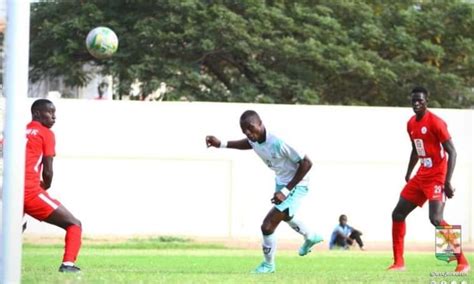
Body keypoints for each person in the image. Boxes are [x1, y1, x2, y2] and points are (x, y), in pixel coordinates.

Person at [206, 110, 323, 274]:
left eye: (251, 128)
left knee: (267, 225)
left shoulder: (279, 142)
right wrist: (221, 144)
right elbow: (249, 143)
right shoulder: (254, 138)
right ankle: (311, 236)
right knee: (286, 215)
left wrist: (286, 190)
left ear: (260, 123)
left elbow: (307, 163)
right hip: (281, 182)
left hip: (297, 184)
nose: (248, 133)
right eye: (244, 130)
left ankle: (268, 265)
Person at [388, 87, 470, 272]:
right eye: (413, 100)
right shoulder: (410, 123)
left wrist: (447, 181)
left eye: (420, 100)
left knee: (435, 219)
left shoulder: (436, 123)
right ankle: (399, 263)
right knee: (397, 214)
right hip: (421, 175)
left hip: (437, 176)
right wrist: (409, 172)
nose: (416, 103)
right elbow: (416, 149)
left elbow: (452, 152)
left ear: (427, 101)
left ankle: (462, 262)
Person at [24, 99, 82, 273]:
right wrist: (44, 186)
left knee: (12, 231)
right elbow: (48, 171)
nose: (54, 117)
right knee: (74, 224)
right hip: (29, 191)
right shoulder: (46, 133)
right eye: (50, 112)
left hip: (9, 189)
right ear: (37, 113)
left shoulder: (17, 131)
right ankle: (68, 265)